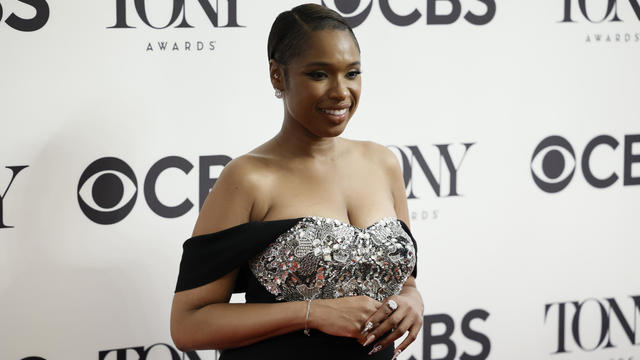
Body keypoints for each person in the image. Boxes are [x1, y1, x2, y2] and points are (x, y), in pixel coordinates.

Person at [170, 4, 423, 359]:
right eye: (319, 74)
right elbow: (188, 325)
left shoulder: (382, 162)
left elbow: (405, 280)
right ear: (277, 75)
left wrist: (411, 300)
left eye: (352, 73)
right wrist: (313, 312)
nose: (340, 92)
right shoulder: (248, 178)